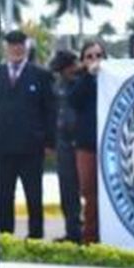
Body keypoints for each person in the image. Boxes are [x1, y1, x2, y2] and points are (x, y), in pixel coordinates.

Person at [0, 30, 56, 240]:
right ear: (6, 47)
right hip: (3, 148)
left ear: (26, 46)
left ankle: (36, 237)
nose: (16, 48)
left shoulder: (40, 75)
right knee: (3, 196)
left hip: (31, 149)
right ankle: (4, 237)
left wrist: (49, 142)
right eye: (12, 44)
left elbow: (50, 111)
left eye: (20, 44)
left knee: (34, 196)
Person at [69, 39, 105, 243]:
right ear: (82, 61)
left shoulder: (112, 78)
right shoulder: (79, 80)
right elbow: (73, 101)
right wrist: (88, 76)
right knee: (89, 193)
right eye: (89, 56)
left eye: (98, 55)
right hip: (87, 146)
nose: (94, 60)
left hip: (110, 145)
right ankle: (90, 238)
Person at [49, 48, 83, 242]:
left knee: (86, 189)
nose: (68, 71)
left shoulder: (83, 83)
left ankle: (88, 232)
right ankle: (72, 232)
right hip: (63, 143)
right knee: (67, 190)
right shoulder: (56, 86)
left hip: (82, 142)